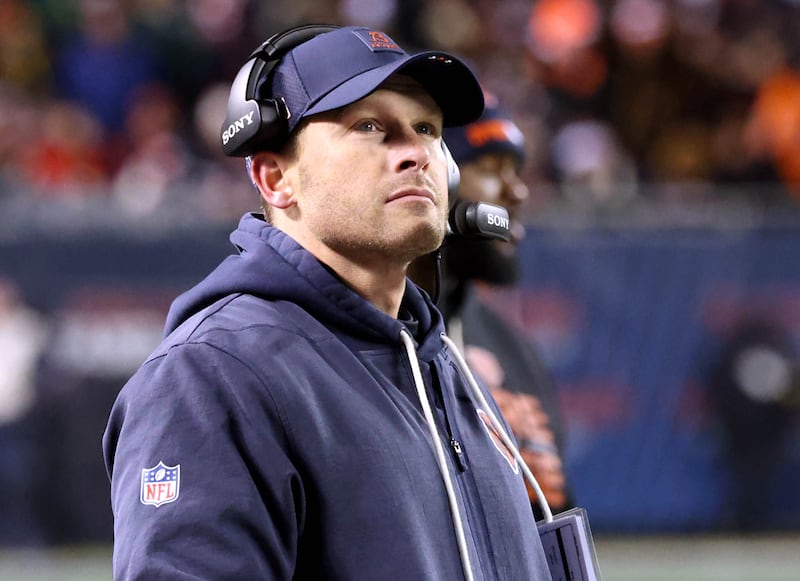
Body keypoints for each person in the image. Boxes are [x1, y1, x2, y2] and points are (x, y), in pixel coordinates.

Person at [102, 24, 553, 580]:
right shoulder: (211, 377)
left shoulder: (440, 364)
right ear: (274, 177)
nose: (415, 152)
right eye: (370, 126)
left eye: (427, 130)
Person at [411, 93, 573, 518]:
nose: (517, 191)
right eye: (489, 167)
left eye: (517, 170)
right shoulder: (359, 344)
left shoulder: (515, 351)